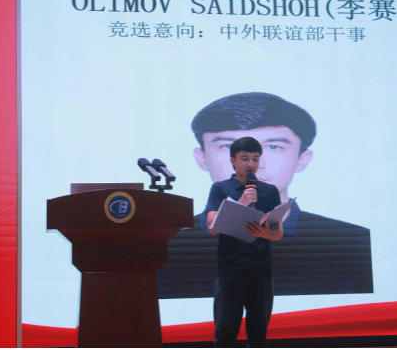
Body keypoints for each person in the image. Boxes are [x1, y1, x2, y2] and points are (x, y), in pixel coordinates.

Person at [156, 92, 372, 300]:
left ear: (302, 159)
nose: (254, 164)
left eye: (274, 146)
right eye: (229, 146)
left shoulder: (351, 243)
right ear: (202, 158)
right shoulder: (168, 244)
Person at [204, 136, 282, 348]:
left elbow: (277, 233)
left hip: (261, 271)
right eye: (245, 158)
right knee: (225, 333)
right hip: (230, 270)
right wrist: (241, 202)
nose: (251, 164)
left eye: (255, 159)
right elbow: (212, 227)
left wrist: (265, 233)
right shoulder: (220, 189)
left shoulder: (270, 191)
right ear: (233, 160)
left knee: (258, 335)